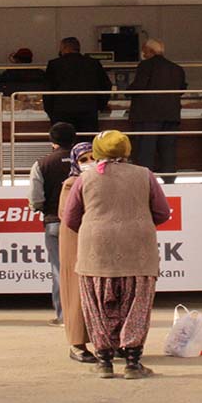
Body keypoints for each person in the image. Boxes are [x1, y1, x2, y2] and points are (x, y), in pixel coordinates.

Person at [62, 130, 172, 380]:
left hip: (95, 252)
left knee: (98, 305)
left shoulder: (85, 179)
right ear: (126, 150)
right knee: (137, 305)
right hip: (139, 251)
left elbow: (69, 218)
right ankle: (133, 363)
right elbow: (162, 213)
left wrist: (96, 227)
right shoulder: (145, 175)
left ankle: (104, 362)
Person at [28, 122, 76, 325]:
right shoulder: (84, 162)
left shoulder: (42, 164)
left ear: (52, 141)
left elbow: (36, 198)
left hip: (54, 222)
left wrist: (39, 208)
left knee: (59, 269)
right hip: (83, 224)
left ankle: (64, 316)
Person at [58, 142, 99, 365]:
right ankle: (76, 344)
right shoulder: (71, 184)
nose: (89, 163)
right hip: (75, 245)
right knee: (76, 294)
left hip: (92, 244)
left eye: (93, 158)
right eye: (83, 160)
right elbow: (68, 215)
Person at [127, 39, 187, 183]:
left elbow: (138, 87)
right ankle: (169, 181)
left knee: (145, 152)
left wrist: (126, 91)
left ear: (150, 51)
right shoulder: (176, 68)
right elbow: (182, 89)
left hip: (147, 115)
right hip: (171, 115)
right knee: (168, 152)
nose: (143, 53)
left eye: (144, 50)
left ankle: (143, 183)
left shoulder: (145, 65)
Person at [43, 37, 112, 134]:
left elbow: (48, 89)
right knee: (87, 142)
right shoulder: (93, 63)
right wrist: (99, 106)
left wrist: (50, 110)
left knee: (64, 141)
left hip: (62, 111)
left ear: (64, 48)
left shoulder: (54, 64)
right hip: (88, 110)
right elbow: (106, 85)